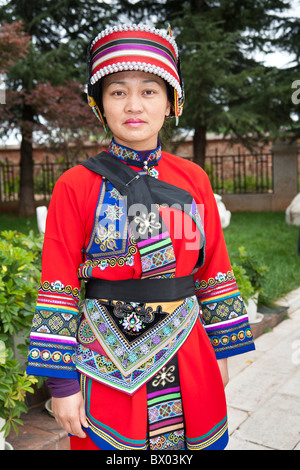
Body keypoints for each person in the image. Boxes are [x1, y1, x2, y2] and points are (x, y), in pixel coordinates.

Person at [26, 24, 255, 451]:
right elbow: (57, 286)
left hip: (189, 353)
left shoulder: (193, 180)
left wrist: (221, 353)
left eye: (149, 91)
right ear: (100, 106)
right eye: (117, 92)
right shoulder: (75, 186)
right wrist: (62, 387)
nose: (134, 105)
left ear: (171, 102)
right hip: (105, 366)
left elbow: (213, 270)